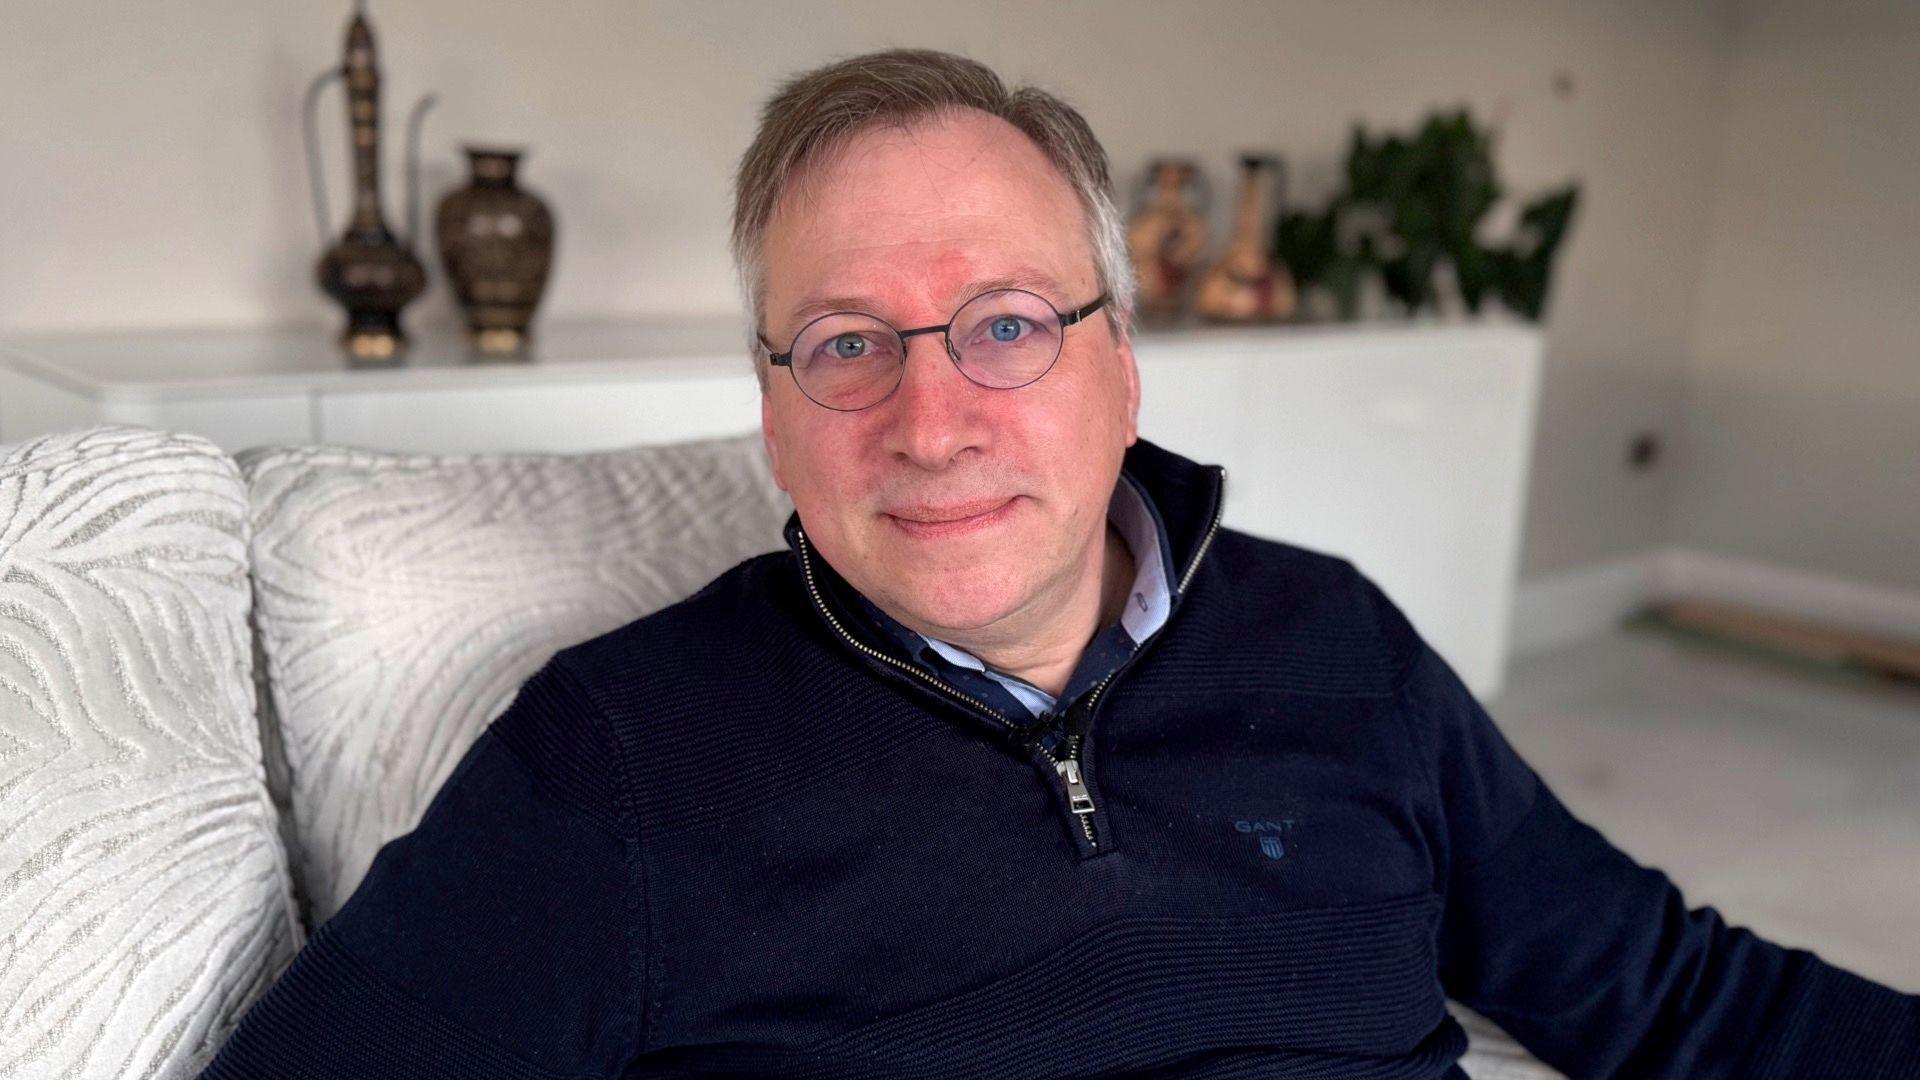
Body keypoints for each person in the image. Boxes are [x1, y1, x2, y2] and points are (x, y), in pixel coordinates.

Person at [202, 48, 1920, 1079]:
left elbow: (1673, 996)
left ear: (1122, 364)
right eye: (848, 344)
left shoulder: (1334, 641)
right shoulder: (619, 763)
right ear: (774, 413)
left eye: (1008, 324)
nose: (931, 419)